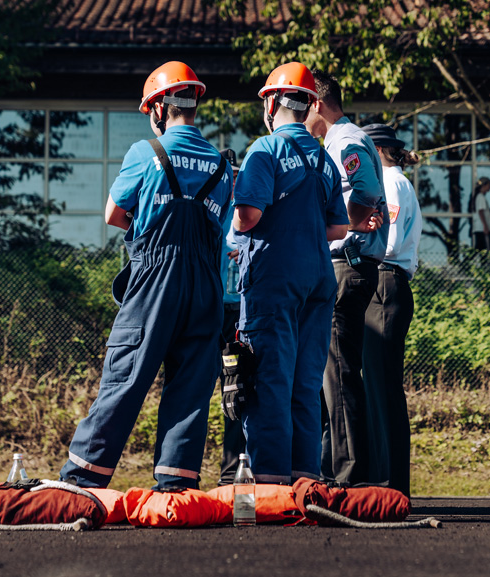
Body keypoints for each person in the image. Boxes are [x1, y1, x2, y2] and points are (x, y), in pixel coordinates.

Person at [59, 61, 233, 490]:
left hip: (155, 280)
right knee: (191, 386)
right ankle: (176, 487)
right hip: (207, 286)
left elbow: (113, 214)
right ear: (193, 104)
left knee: (126, 373)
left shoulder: (145, 153)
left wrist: (148, 224)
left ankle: (82, 478)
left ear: (158, 108)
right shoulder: (222, 164)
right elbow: (223, 228)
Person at [227, 62, 348, 484]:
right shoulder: (323, 159)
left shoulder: (265, 149)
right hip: (318, 279)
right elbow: (338, 227)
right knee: (305, 382)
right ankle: (304, 480)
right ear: (310, 105)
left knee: (269, 379)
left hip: (275, 278)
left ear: (271, 104)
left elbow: (248, 216)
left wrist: (235, 230)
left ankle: (270, 482)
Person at [304, 70, 389, 486]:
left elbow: (366, 188)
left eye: (303, 107)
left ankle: (349, 477)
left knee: (338, 375)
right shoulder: (341, 139)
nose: (300, 116)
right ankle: (336, 469)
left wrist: (349, 222)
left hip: (347, 265)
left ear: (317, 104)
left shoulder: (344, 140)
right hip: (351, 265)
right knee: (336, 374)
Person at [361, 123, 422, 498]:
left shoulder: (392, 183)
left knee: (383, 387)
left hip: (385, 281)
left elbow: (390, 241)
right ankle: (384, 478)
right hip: (386, 283)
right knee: (378, 386)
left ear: (379, 150)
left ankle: (389, 483)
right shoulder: (393, 181)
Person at [216, 150, 245, 486]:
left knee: (235, 389)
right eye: (230, 176)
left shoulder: (249, 210)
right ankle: (183, 474)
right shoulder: (211, 206)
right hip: (211, 308)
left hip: (239, 311)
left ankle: (231, 475)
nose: (234, 181)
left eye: (237, 176)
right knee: (195, 388)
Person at [470, 177, 490, 250]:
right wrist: (485, 226)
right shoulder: (480, 197)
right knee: (486, 249)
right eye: (489, 185)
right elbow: (480, 211)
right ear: (483, 185)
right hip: (482, 229)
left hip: (480, 229)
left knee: (480, 249)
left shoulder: (479, 197)